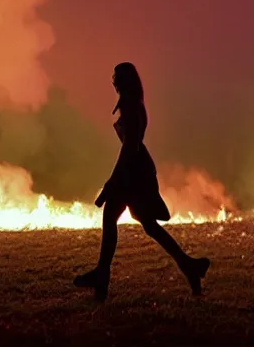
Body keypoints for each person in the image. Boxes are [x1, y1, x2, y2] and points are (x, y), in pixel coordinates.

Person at [74, 62, 210, 301]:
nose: (113, 81)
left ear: (125, 81)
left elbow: (130, 147)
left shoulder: (130, 106)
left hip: (134, 172)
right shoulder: (133, 105)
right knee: (147, 224)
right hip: (137, 170)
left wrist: (112, 181)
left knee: (114, 217)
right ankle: (189, 266)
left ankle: (102, 277)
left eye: (116, 77)